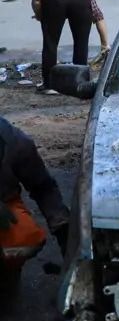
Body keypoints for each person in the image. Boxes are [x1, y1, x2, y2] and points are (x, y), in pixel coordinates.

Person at [0, 118, 70, 294]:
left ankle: (7, 275)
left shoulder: (16, 143)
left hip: (4, 204)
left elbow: (43, 188)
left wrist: (64, 231)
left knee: (23, 237)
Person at [31, 0, 110, 93]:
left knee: (50, 43)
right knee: (81, 43)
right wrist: (105, 44)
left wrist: (41, 16)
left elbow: (36, 0)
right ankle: (80, 84)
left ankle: (49, 85)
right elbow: (98, 16)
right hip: (81, 0)